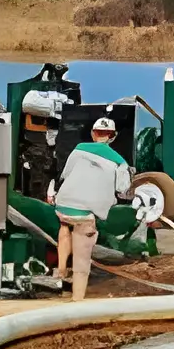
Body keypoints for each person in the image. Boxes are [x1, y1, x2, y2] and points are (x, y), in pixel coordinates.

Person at [48, 115, 130, 300]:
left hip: (64, 205)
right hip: (86, 215)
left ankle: (61, 271)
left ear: (93, 134)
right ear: (112, 136)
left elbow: (66, 174)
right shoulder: (120, 162)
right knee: (82, 260)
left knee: (64, 226)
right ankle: (77, 300)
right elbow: (123, 190)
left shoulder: (78, 149)